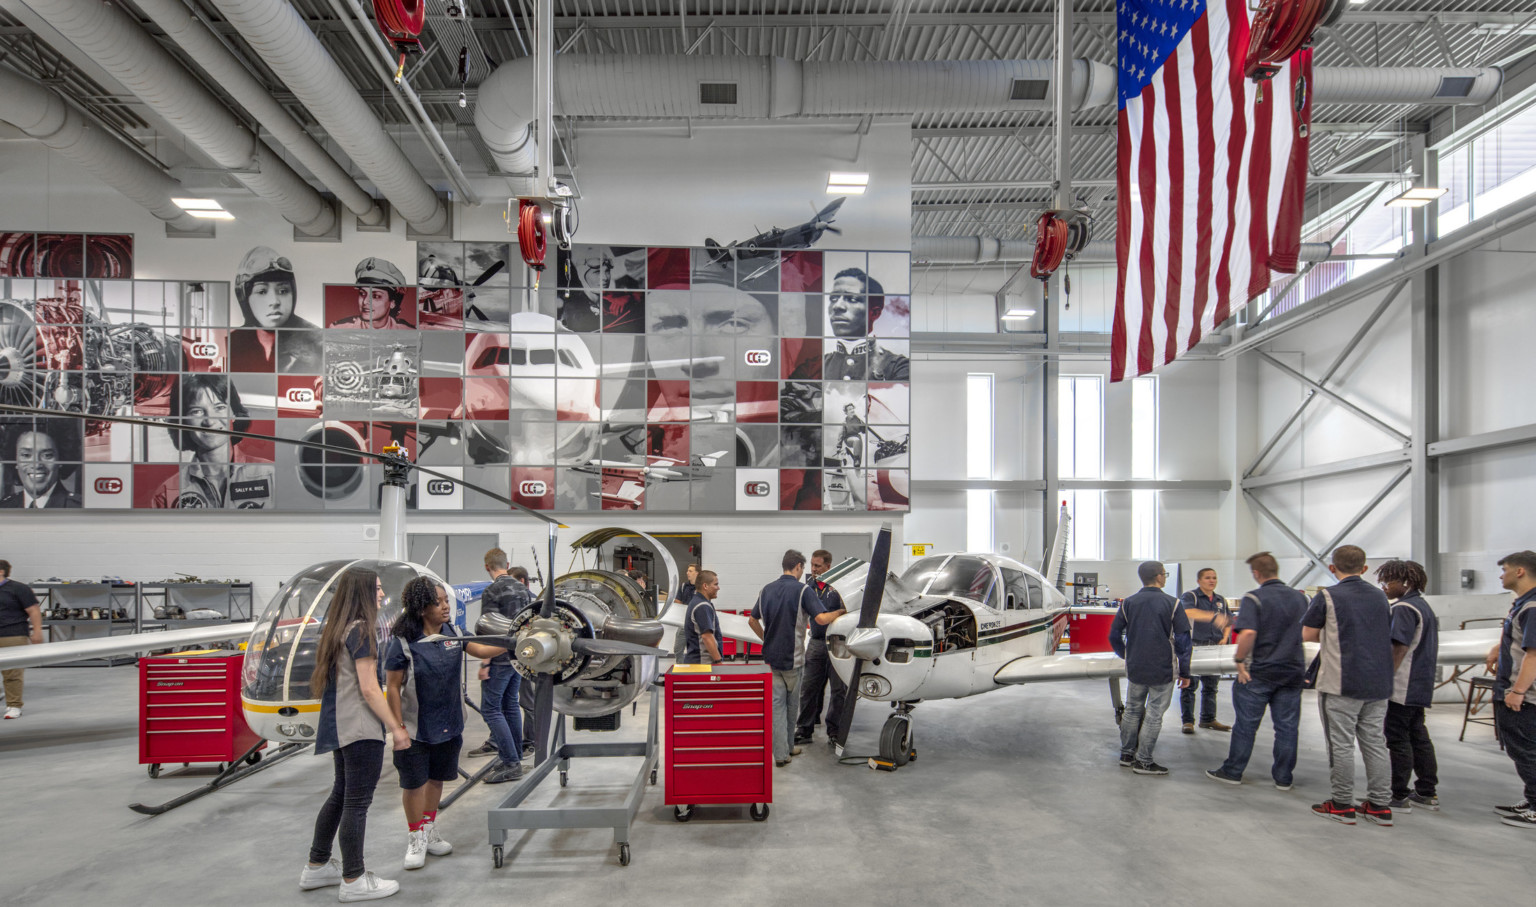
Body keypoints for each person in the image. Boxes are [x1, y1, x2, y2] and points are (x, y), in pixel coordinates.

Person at [300, 568, 408, 902]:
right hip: (360, 727)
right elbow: (369, 688)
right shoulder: (362, 630)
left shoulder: (337, 628)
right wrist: (396, 728)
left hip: (339, 724)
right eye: (376, 589)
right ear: (362, 592)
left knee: (341, 795)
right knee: (356, 803)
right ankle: (354, 879)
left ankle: (317, 866)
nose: (380, 594)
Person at [385, 577, 506, 870]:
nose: (444, 607)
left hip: (449, 722)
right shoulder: (402, 643)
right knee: (414, 783)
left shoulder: (454, 633)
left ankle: (428, 828)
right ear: (420, 607)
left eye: (446, 601)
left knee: (437, 778)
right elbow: (391, 688)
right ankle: (415, 836)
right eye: (437, 602)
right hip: (415, 726)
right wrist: (397, 728)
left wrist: (515, 640)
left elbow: (481, 650)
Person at [1302, 544, 1395, 826]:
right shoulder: (1381, 597)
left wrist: (1334, 639)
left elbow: (1308, 634)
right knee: (1376, 742)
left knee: (1340, 744)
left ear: (1332, 568)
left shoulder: (1328, 596)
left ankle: (1342, 803)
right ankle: (1380, 805)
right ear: (1364, 569)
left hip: (1341, 682)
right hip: (1378, 682)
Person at [1205, 552, 1308, 789]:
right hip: (1292, 671)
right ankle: (1283, 778)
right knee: (1287, 727)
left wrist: (1240, 660)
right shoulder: (1300, 599)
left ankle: (1233, 771)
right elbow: (1308, 632)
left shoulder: (1254, 598)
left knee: (1246, 725)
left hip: (1260, 672)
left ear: (1257, 574)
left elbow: (1248, 633)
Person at [748, 550, 846, 766]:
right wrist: (839, 613)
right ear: (799, 567)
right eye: (807, 566)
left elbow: (752, 621)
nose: (810, 571)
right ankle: (786, 750)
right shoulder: (803, 590)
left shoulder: (766, 590)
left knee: (777, 707)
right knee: (791, 706)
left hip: (771, 659)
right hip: (793, 660)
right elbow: (820, 619)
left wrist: (766, 639)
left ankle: (783, 752)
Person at [1109, 561, 1191, 775]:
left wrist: (1126, 654)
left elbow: (1114, 635)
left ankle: (1126, 754)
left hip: (1135, 666)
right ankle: (1144, 761)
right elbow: (1183, 640)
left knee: (1133, 709)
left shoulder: (1128, 603)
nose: (1165, 577)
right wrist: (1185, 670)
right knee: (1154, 714)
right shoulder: (1172, 603)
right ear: (1159, 577)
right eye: (1165, 574)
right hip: (1162, 668)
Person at [149, 375, 274, 509]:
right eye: (196, 411)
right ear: (182, 421)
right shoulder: (167, 493)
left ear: (234, 414)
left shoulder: (271, 474)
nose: (209, 421)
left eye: (219, 407)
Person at [1377, 559, 1440, 813]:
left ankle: (1398, 794)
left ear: (1406, 582)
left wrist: (1385, 679)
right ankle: (1426, 790)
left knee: (1398, 740)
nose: (1384, 586)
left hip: (1402, 685)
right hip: (1420, 685)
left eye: (1389, 580)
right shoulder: (1423, 606)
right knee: (1419, 737)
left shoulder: (1403, 608)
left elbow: (1398, 647)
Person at [1486, 550, 1536, 830]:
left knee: (1527, 751)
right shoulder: (1523, 604)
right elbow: (1519, 637)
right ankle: (1532, 798)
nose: (1501, 575)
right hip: (1516, 689)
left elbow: (1534, 654)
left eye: (1504, 569)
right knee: (1523, 750)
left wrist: (1518, 691)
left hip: (1525, 695)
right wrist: (1498, 648)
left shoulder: (1532, 607)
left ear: (1520, 571)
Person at [476, 548, 529, 784]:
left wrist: (485, 661)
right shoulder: (524, 590)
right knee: (510, 704)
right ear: (507, 563)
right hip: (520, 657)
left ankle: (510, 762)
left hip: (499, 658)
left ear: (487, 567)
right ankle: (514, 755)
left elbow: (489, 629)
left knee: (490, 709)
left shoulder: (491, 591)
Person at [229, 246, 321, 372]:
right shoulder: (233, 343)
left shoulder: (319, 342)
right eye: (262, 291)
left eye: (283, 291)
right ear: (244, 296)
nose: (274, 302)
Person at [797, 550, 849, 745]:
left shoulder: (840, 587)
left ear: (828, 566)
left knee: (838, 690)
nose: (813, 569)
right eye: (812, 565)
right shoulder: (809, 587)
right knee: (808, 687)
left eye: (817, 566)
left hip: (839, 643)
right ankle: (804, 729)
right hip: (816, 642)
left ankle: (835, 732)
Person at [822, 268, 910, 381]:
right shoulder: (813, 367)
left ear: (874, 312)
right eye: (833, 298)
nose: (837, 306)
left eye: (852, 299)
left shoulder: (898, 367)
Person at [1179, 568, 1232, 734]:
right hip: (1195, 646)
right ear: (1199, 580)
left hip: (1215, 646)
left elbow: (1228, 621)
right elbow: (1187, 612)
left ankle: (1208, 719)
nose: (1212, 581)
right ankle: (1188, 721)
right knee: (1189, 685)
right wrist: (1213, 617)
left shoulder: (1220, 600)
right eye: (1208, 578)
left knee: (1211, 686)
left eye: (1214, 578)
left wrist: (1225, 637)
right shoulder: (1191, 597)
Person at [1, 419, 82, 508]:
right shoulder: (5, 506)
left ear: (61, 460)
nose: (36, 465)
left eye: (47, 455)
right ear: (15, 460)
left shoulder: (80, 507)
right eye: (26, 455)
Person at [0, 559, 43, 719]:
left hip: (13, 634)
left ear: (1, 571)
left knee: (12, 672)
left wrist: (37, 631)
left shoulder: (18, 589)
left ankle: (14, 705)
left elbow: (33, 610)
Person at [333, 258, 415, 329]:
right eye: (362, 293)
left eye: (376, 296)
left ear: (392, 303)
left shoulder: (408, 330)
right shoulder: (338, 328)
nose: (365, 301)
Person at [681, 570, 723, 666]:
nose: (718, 588)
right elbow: (707, 637)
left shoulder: (697, 601)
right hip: (702, 663)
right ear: (705, 586)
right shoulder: (702, 606)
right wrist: (718, 661)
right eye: (715, 584)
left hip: (696, 661)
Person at [669, 563, 700, 660]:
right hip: (683, 623)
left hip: (697, 624)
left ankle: (695, 671)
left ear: (697, 573)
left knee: (695, 650)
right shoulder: (683, 586)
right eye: (687, 571)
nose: (687, 573)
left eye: (690, 571)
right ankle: (681, 670)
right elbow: (678, 601)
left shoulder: (702, 588)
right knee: (678, 649)